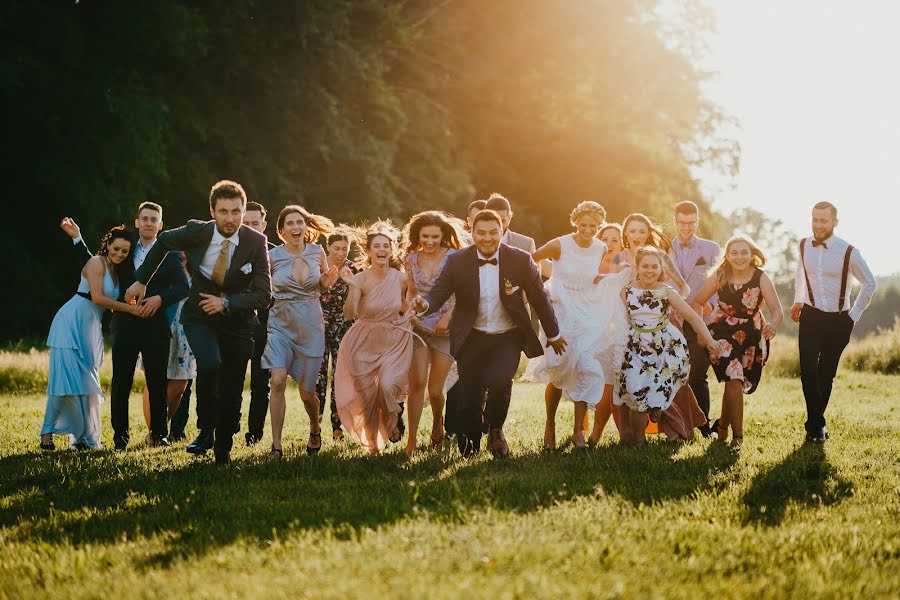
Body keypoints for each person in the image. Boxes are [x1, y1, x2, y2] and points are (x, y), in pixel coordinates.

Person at [126, 180, 272, 465]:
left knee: (231, 386)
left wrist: (227, 303)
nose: (230, 219)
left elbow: (264, 295)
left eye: (236, 212)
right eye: (224, 211)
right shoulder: (196, 231)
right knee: (210, 364)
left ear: (244, 212)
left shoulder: (256, 242)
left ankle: (223, 447)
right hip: (200, 316)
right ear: (212, 211)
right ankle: (206, 430)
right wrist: (141, 280)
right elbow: (164, 241)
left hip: (239, 322)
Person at [412, 210, 566, 458]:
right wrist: (425, 305)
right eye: (481, 232)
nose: (487, 238)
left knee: (500, 381)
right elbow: (438, 293)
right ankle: (471, 438)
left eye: (493, 232)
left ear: (502, 232)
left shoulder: (520, 259)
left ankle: (495, 430)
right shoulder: (457, 261)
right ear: (472, 232)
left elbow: (540, 298)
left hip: (507, 335)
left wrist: (554, 334)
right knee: (470, 392)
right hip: (471, 336)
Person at [62, 204, 190, 450]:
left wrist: (160, 299)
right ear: (137, 222)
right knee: (122, 381)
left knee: (156, 382)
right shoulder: (125, 251)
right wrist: (77, 238)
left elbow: (183, 287)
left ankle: (159, 434)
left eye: (155, 219)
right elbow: (94, 265)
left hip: (155, 325)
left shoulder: (171, 254)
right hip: (125, 324)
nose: (150, 223)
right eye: (145, 218)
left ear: (161, 225)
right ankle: (120, 436)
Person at [524, 202, 628, 452]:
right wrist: (542, 289)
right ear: (575, 222)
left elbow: (590, 276)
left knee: (584, 364)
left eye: (593, 226)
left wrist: (611, 280)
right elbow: (529, 259)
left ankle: (577, 432)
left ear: (598, 226)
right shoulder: (560, 244)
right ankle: (549, 426)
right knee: (558, 368)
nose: (588, 230)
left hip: (585, 309)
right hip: (560, 308)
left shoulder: (600, 247)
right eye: (584, 225)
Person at [41, 226, 140, 450]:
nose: (120, 254)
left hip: (91, 327)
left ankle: (84, 437)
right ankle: (46, 434)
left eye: (125, 251)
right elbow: (97, 298)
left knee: (87, 384)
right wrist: (129, 309)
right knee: (63, 381)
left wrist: (136, 304)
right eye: (116, 248)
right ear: (107, 245)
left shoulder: (118, 272)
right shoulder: (97, 262)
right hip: (71, 322)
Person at [790, 201, 876, 443]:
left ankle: (815, 426)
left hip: (839, 320)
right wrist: (799, 300)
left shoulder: (848, 251)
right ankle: (815, 427)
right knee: (807, 372)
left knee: (825, 374)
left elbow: (870, 283)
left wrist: (853, 316)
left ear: (834, 222)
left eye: (823, 221)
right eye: (815, 219)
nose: (818, 225)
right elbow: (801, 272)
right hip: (810, 315)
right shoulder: (804, 244)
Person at [615, 246, 720, 444]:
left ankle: (657, 408)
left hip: (663, 347)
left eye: (654, 266)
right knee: (635, 392)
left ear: (661, 269)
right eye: (645, 266)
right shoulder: (626, 291)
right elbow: (615, 318)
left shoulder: (666, 291)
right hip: (635, 347)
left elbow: (693, 317)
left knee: (657, 390)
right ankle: (639, 442)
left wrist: (709, 339)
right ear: (637, 267)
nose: (649, 270)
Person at [261, 205, 338, 460]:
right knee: (278, 379)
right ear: (281, 231)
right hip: (280, 323)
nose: (295, 228)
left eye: (300, 223)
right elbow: (263, 289)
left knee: (307, 394)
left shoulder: (317, 252)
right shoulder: (271, 256)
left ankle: (315, 428)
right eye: (290, 224)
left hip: (310, 325)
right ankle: (276, 446)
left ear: (306, 227)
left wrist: (326, 283)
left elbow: (322, 285)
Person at [334, 221, 416, 454]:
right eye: (377, 246)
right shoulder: (359, 279)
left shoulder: (401, 278)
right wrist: (351, 287)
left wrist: (411, 312)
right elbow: (349, 314)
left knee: (389, 385)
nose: (382, 250)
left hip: (392, 338)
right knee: (367, 396)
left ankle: (392, 421)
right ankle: (372, 445)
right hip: (363, 340)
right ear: (369, 252)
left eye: (386, 246)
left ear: (391, 250)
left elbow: (406, 304)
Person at [693, 236, 783, 449]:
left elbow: (777, 310)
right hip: (721, 331)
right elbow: (697, 302)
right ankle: (738, 438)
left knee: (735, 382)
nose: (739, 257)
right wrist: (702, 331)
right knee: (734, 378)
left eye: (744, 252)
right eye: (734, 252)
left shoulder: (760, 277)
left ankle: (722, 427)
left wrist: (773, 325)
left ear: (752, 255)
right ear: (728, 256)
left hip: (751, 333)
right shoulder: (721, 275)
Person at [402, 211, 466, 456]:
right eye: (425, 236)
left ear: (443, 236)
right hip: (419, 327)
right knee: (416, 383)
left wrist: (448, 318)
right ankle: (411, 442)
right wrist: (411, 310)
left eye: (435, 237)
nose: (429, 241)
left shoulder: (454, 257)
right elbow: (411, 291)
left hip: (446, 328)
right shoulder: (410, 259)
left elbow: (463, 292)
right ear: (417, 235)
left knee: (435, 391)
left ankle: (438, 420)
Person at [668, 200, 721, 436]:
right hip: (672, 319)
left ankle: (704, 427)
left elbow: (719, 281)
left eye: (691, 223)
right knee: (675, 373)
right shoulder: (664, 248)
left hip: (701, 318)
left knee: (697, 374)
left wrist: (709, 304)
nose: (686, 227)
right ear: (675, 221)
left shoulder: (711, 249)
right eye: (682, 223)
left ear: (697, 222)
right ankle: (679, 425)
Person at [140, 252, 195, 437]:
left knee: (180, 384)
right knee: (155, 380)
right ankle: (154, 433)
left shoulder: (199, 269)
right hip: (163, 324)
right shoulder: (166, 264)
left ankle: (159, 427)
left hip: (187, 332)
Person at [316, 233, 357, 441]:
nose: (341, 253)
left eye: (345, 249)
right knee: (319, 377)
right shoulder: (318, 265)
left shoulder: (353, 269)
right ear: (328, 247)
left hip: (344, 328)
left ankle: (336, 425)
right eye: (337, 248)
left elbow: (357, 300)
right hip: (319, 327)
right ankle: (315, 425)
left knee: (339, 378)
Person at [242, 201, 276, 446]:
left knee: (260, 383)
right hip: (233, 323)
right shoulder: (229, 249)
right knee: (228, 380)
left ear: (263, 225)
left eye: (255, 223)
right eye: (246, 223)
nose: (251, 228)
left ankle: (254, 433)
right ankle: (227, 425)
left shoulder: (275, 254)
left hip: (266, 326)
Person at [589, 223, 626, 443]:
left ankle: (624, 433)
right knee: (602, 384)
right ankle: (593, 433)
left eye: (615, 239)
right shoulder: (590, 264)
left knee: (616, 385)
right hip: (595, 329)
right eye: (606, 238)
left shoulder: (625, 265)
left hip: (619, 328)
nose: (610, 244)